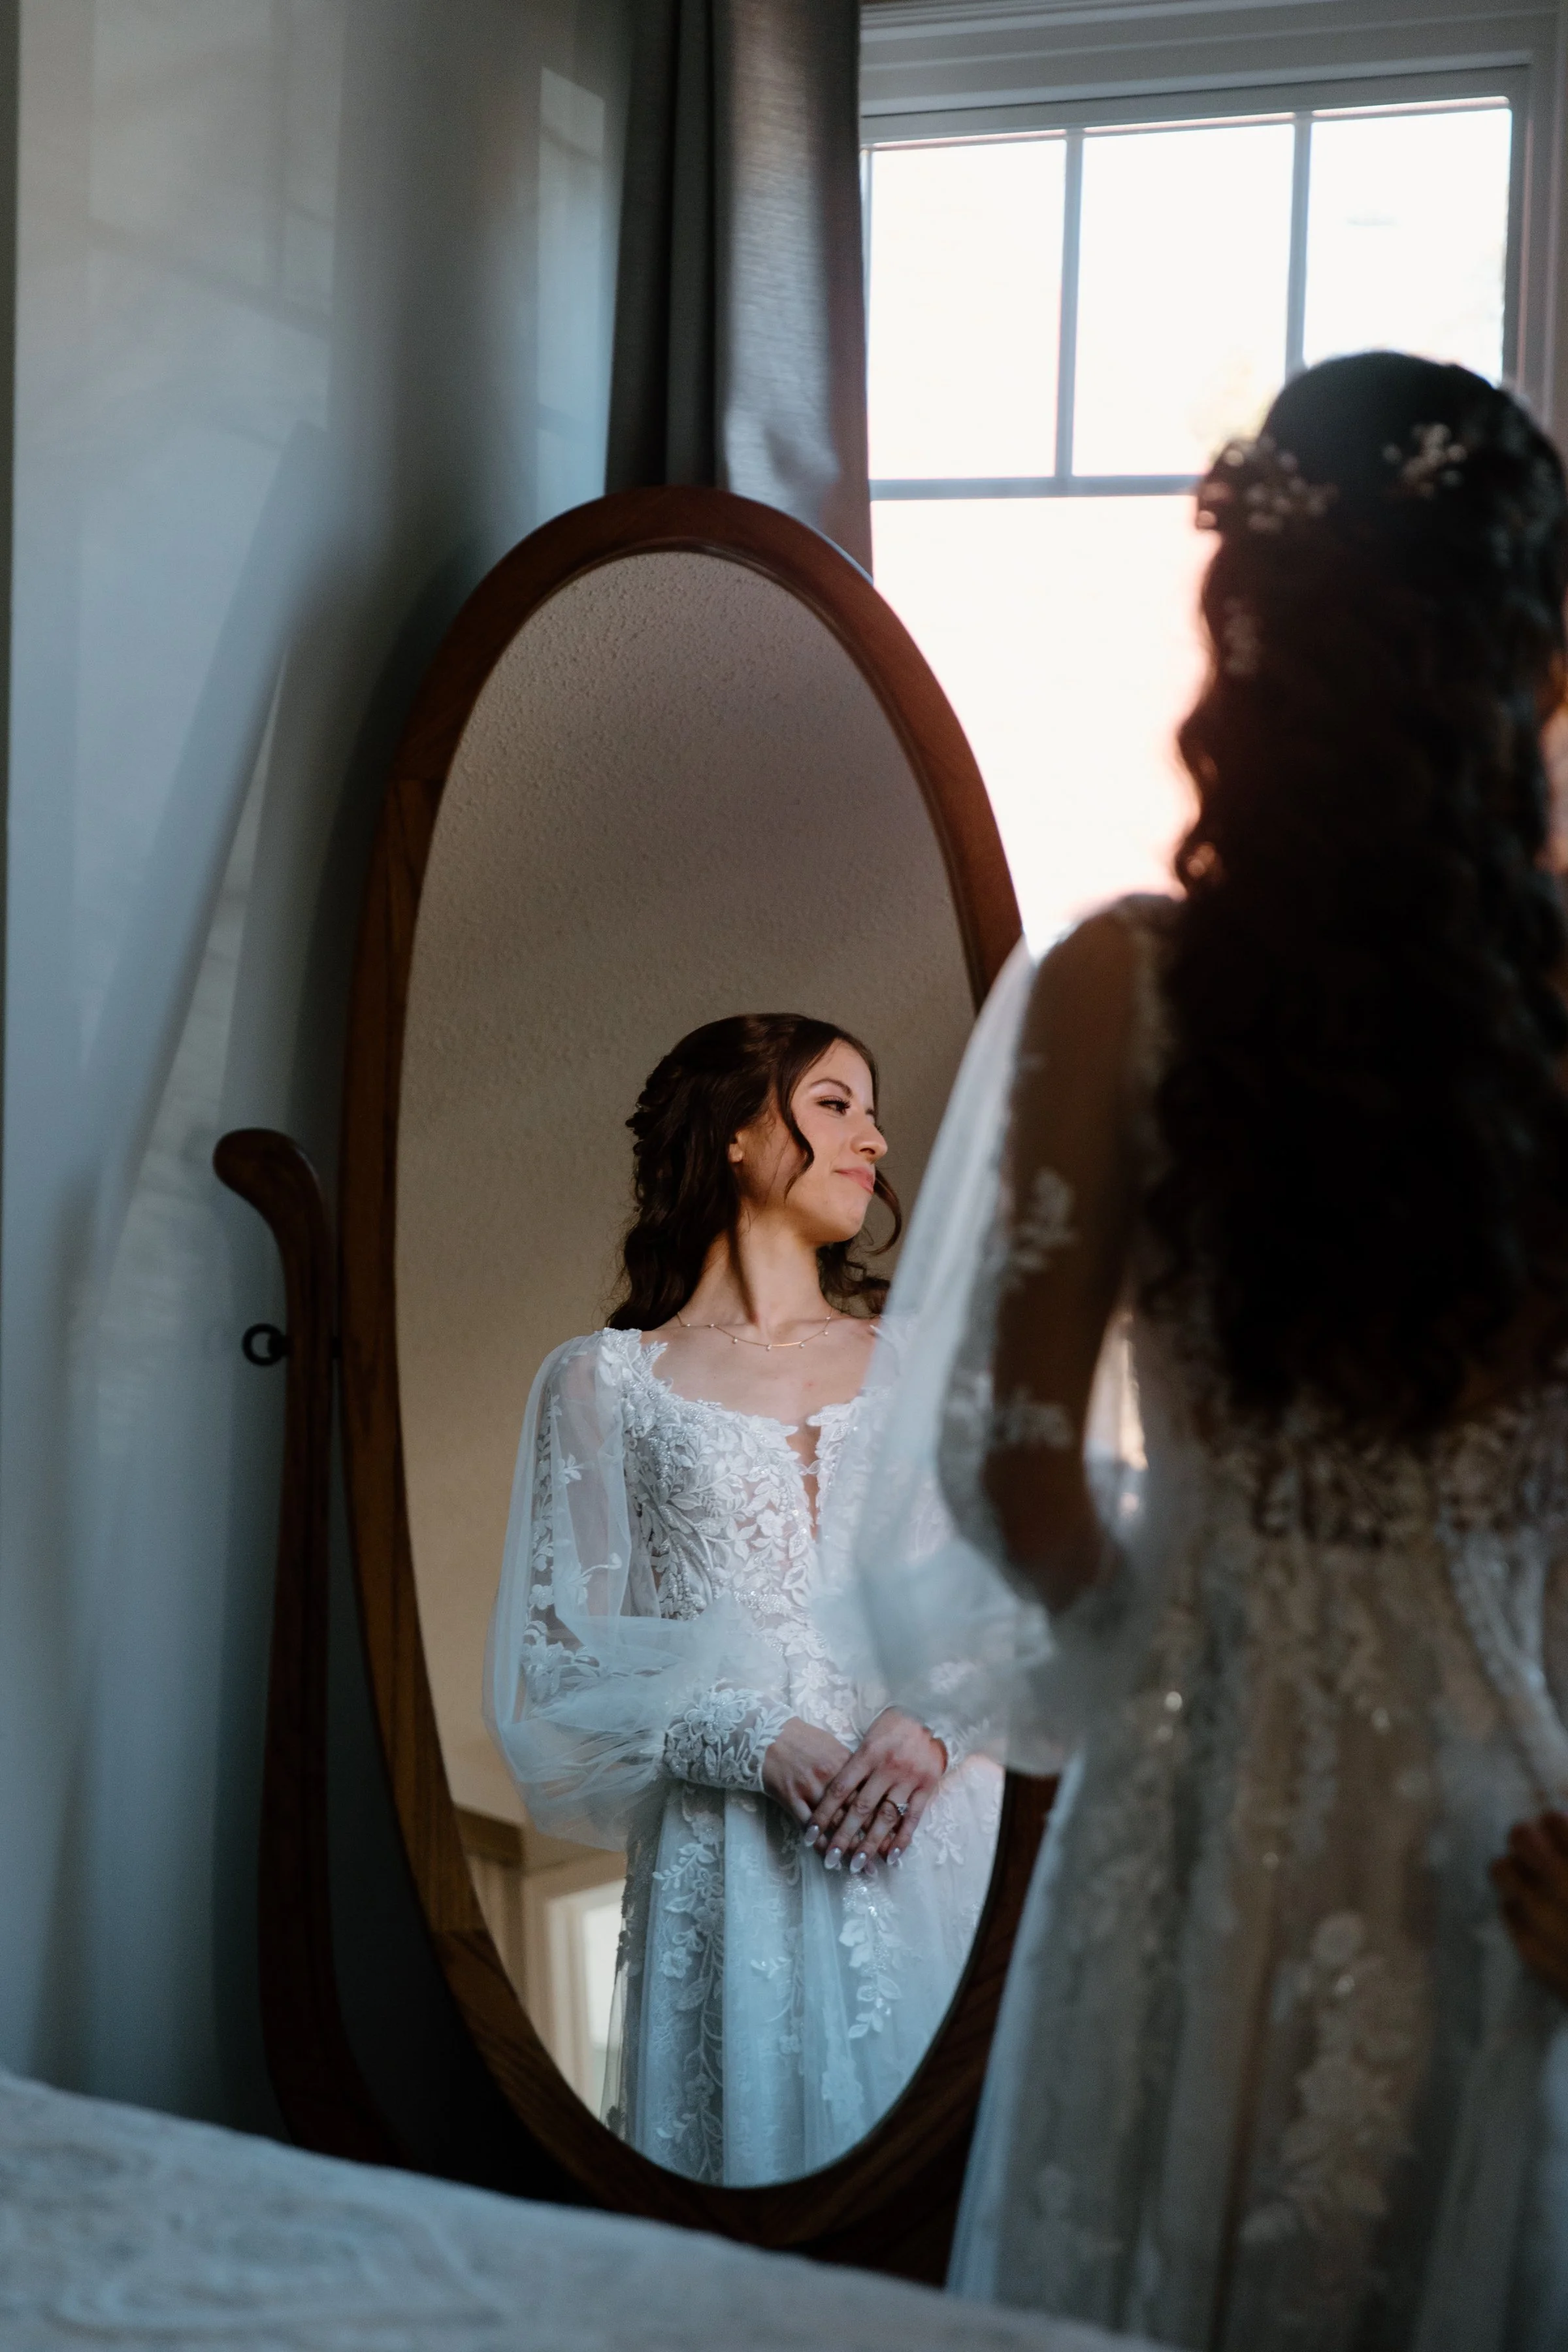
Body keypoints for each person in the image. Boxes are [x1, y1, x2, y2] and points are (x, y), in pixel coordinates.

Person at [839, 353, 1568, 2348]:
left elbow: (1006, 1464)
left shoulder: (1121, 990)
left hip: (1210, 1801)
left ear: (1245, 645)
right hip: (1510, 1826)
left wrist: (1193, 1628)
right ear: (1538, 675)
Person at [484, 1013, 1002, 2187]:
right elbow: (559, 1667)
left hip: (941, 1835)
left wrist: (936, 1721)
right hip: (735, 1862)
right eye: (835, 1103)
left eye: (872, 1111)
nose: (873, 1135)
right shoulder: (602, 1381)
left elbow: (1025, 1600)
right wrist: (750, 1735)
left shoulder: (932, 1359)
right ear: (734, 1131)